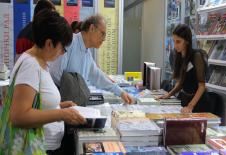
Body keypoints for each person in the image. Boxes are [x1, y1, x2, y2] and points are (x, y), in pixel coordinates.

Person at [9, 10, 86, 154]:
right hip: (35, 147)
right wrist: (61, 114)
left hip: (45, 146)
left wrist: (61, 106)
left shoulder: (40, 62)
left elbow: (36, 102)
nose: (63, 53)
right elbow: (18, 116)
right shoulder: (30, 65)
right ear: (49, 43)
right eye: (63, 48)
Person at [49, 14, 134, 104]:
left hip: (74, 104)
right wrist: (71, 91)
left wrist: (120, 92)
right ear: (92, 28)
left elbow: (97, 76)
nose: (104, 39)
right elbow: (54, 73)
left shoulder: (87, 53)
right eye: (102, 33)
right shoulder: (70, 43)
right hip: (61, 104)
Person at [158, 24, 211, 113]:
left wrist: (190, 106)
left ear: (186, 41)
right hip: (186, 99)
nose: (175, 45)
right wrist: (169, 94)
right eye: (174, 41)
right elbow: (181, 82)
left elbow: (202, 85)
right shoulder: (179, 56)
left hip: (198, 102)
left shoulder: (196, 56)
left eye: (178, 42)